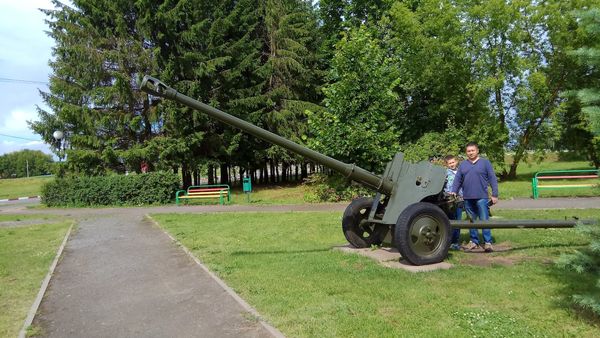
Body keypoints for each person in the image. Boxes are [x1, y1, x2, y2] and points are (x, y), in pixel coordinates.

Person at [449, 142, 498, 252]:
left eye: (472, 150)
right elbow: (458, 179)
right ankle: (474, 242)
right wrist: (454, 191)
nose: (470, 153)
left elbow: (492, 179)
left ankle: (488, 243)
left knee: (484, 220)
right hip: (467, 198)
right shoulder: (463, 165)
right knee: (471, 221)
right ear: (466, 152)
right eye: (468, 151)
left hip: (482, 197)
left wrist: (495, 194)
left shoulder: (485, 163)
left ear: (477, 151)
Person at [444, 155, 462, 250]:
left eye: (453, 162)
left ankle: (455, 242)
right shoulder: (446, 173)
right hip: (450, 200)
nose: (452, 164)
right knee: (450, 221)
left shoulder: (461, 172)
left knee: (458, 221)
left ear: (456, 162)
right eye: (449, 163)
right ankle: (447, 241)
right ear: (447, 164)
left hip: (459, 199)